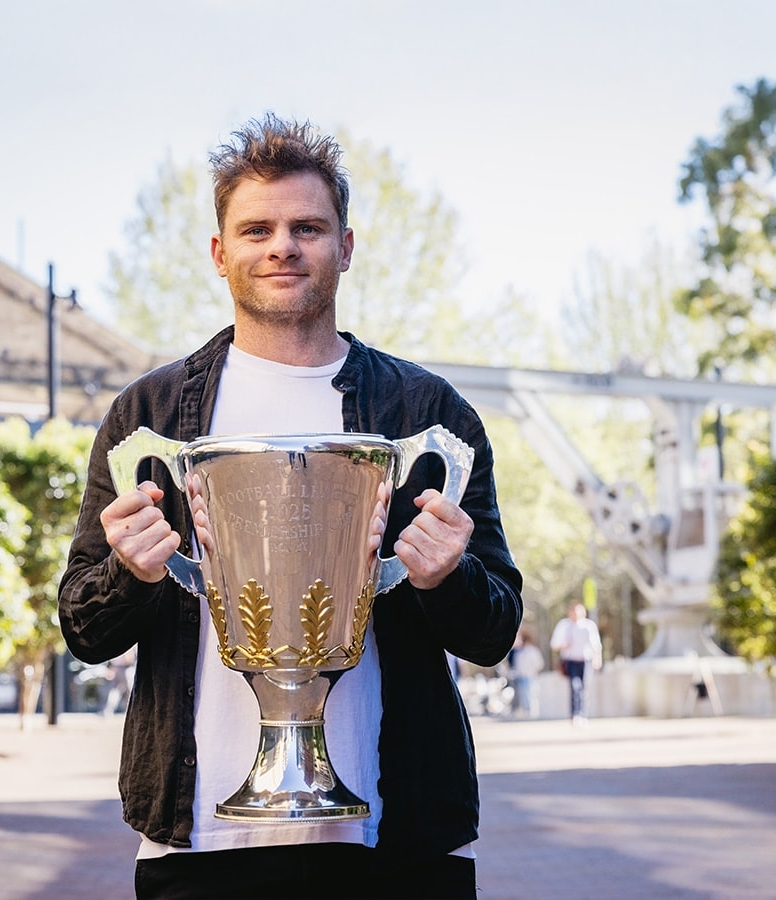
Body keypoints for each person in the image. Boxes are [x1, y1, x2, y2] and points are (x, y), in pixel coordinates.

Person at [59, 113, 523, 900]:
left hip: (398, 840)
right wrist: (129, 573)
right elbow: (84, 629)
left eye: (308, 227)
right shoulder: (150, 415)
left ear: (346, 246)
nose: (283, 246)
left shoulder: (426, 412)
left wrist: (448, 577)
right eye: (257, 229)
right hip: (201, 839)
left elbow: (495, 630)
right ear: (220, 253)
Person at [549, 602, 602, 724]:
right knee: (575, 686)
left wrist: (597, 659)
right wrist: (564, 645)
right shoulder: (564, 625)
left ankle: (583, 714)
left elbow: (596, 645)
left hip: (586, 661)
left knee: (584, 688)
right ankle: (575, 714)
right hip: (571, 661)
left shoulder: (589, 626)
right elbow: (554, 644)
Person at [509, 629, 545, 718]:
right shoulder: (518, 652)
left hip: (530, 676)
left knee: (530, 695)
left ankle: (530, 712)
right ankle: (526, 711)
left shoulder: (532, 651)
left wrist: (533, 671)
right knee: (523, 695)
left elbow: (539, 664)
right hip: (521, 676)